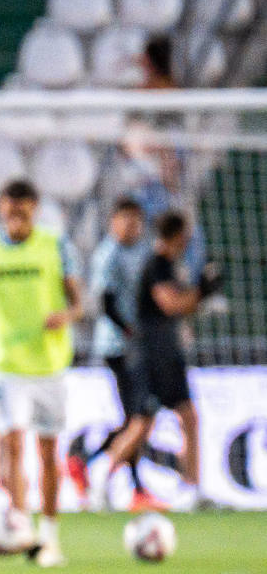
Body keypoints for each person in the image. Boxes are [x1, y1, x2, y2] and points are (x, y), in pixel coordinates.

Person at [0, 179, 82, 568]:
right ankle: (19, 527)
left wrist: (66, 315)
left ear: (35, 208)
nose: (17, 216)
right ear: (0, 208)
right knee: (12, 445)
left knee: (48, 451)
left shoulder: (55, 245)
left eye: (24, 210)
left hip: (49, 364)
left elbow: (79, 301)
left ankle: (49, 537)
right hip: (4, 365)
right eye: (10, 209)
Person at [102, 211, 222, 511]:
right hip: (151, 355)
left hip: (168, 353)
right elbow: (170, 304)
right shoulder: (157, 265)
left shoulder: (170, 266)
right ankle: (100, 484)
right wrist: (203, 291)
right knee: (142, 424)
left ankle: (193, 490)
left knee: (188, 417)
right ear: (178, 236)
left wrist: (199, 296)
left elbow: (179, 307)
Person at [68, 197, 163, 511]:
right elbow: (106, 303)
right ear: (113, 222)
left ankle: (127, 485)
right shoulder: (107, 255)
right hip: (119, 347)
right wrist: (131, 331)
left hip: (139, 345)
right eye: (125, 220)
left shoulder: (143, 251)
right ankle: (99, 473)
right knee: (140, 416)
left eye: (136, 221)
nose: (131, 226)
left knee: (133, 419)